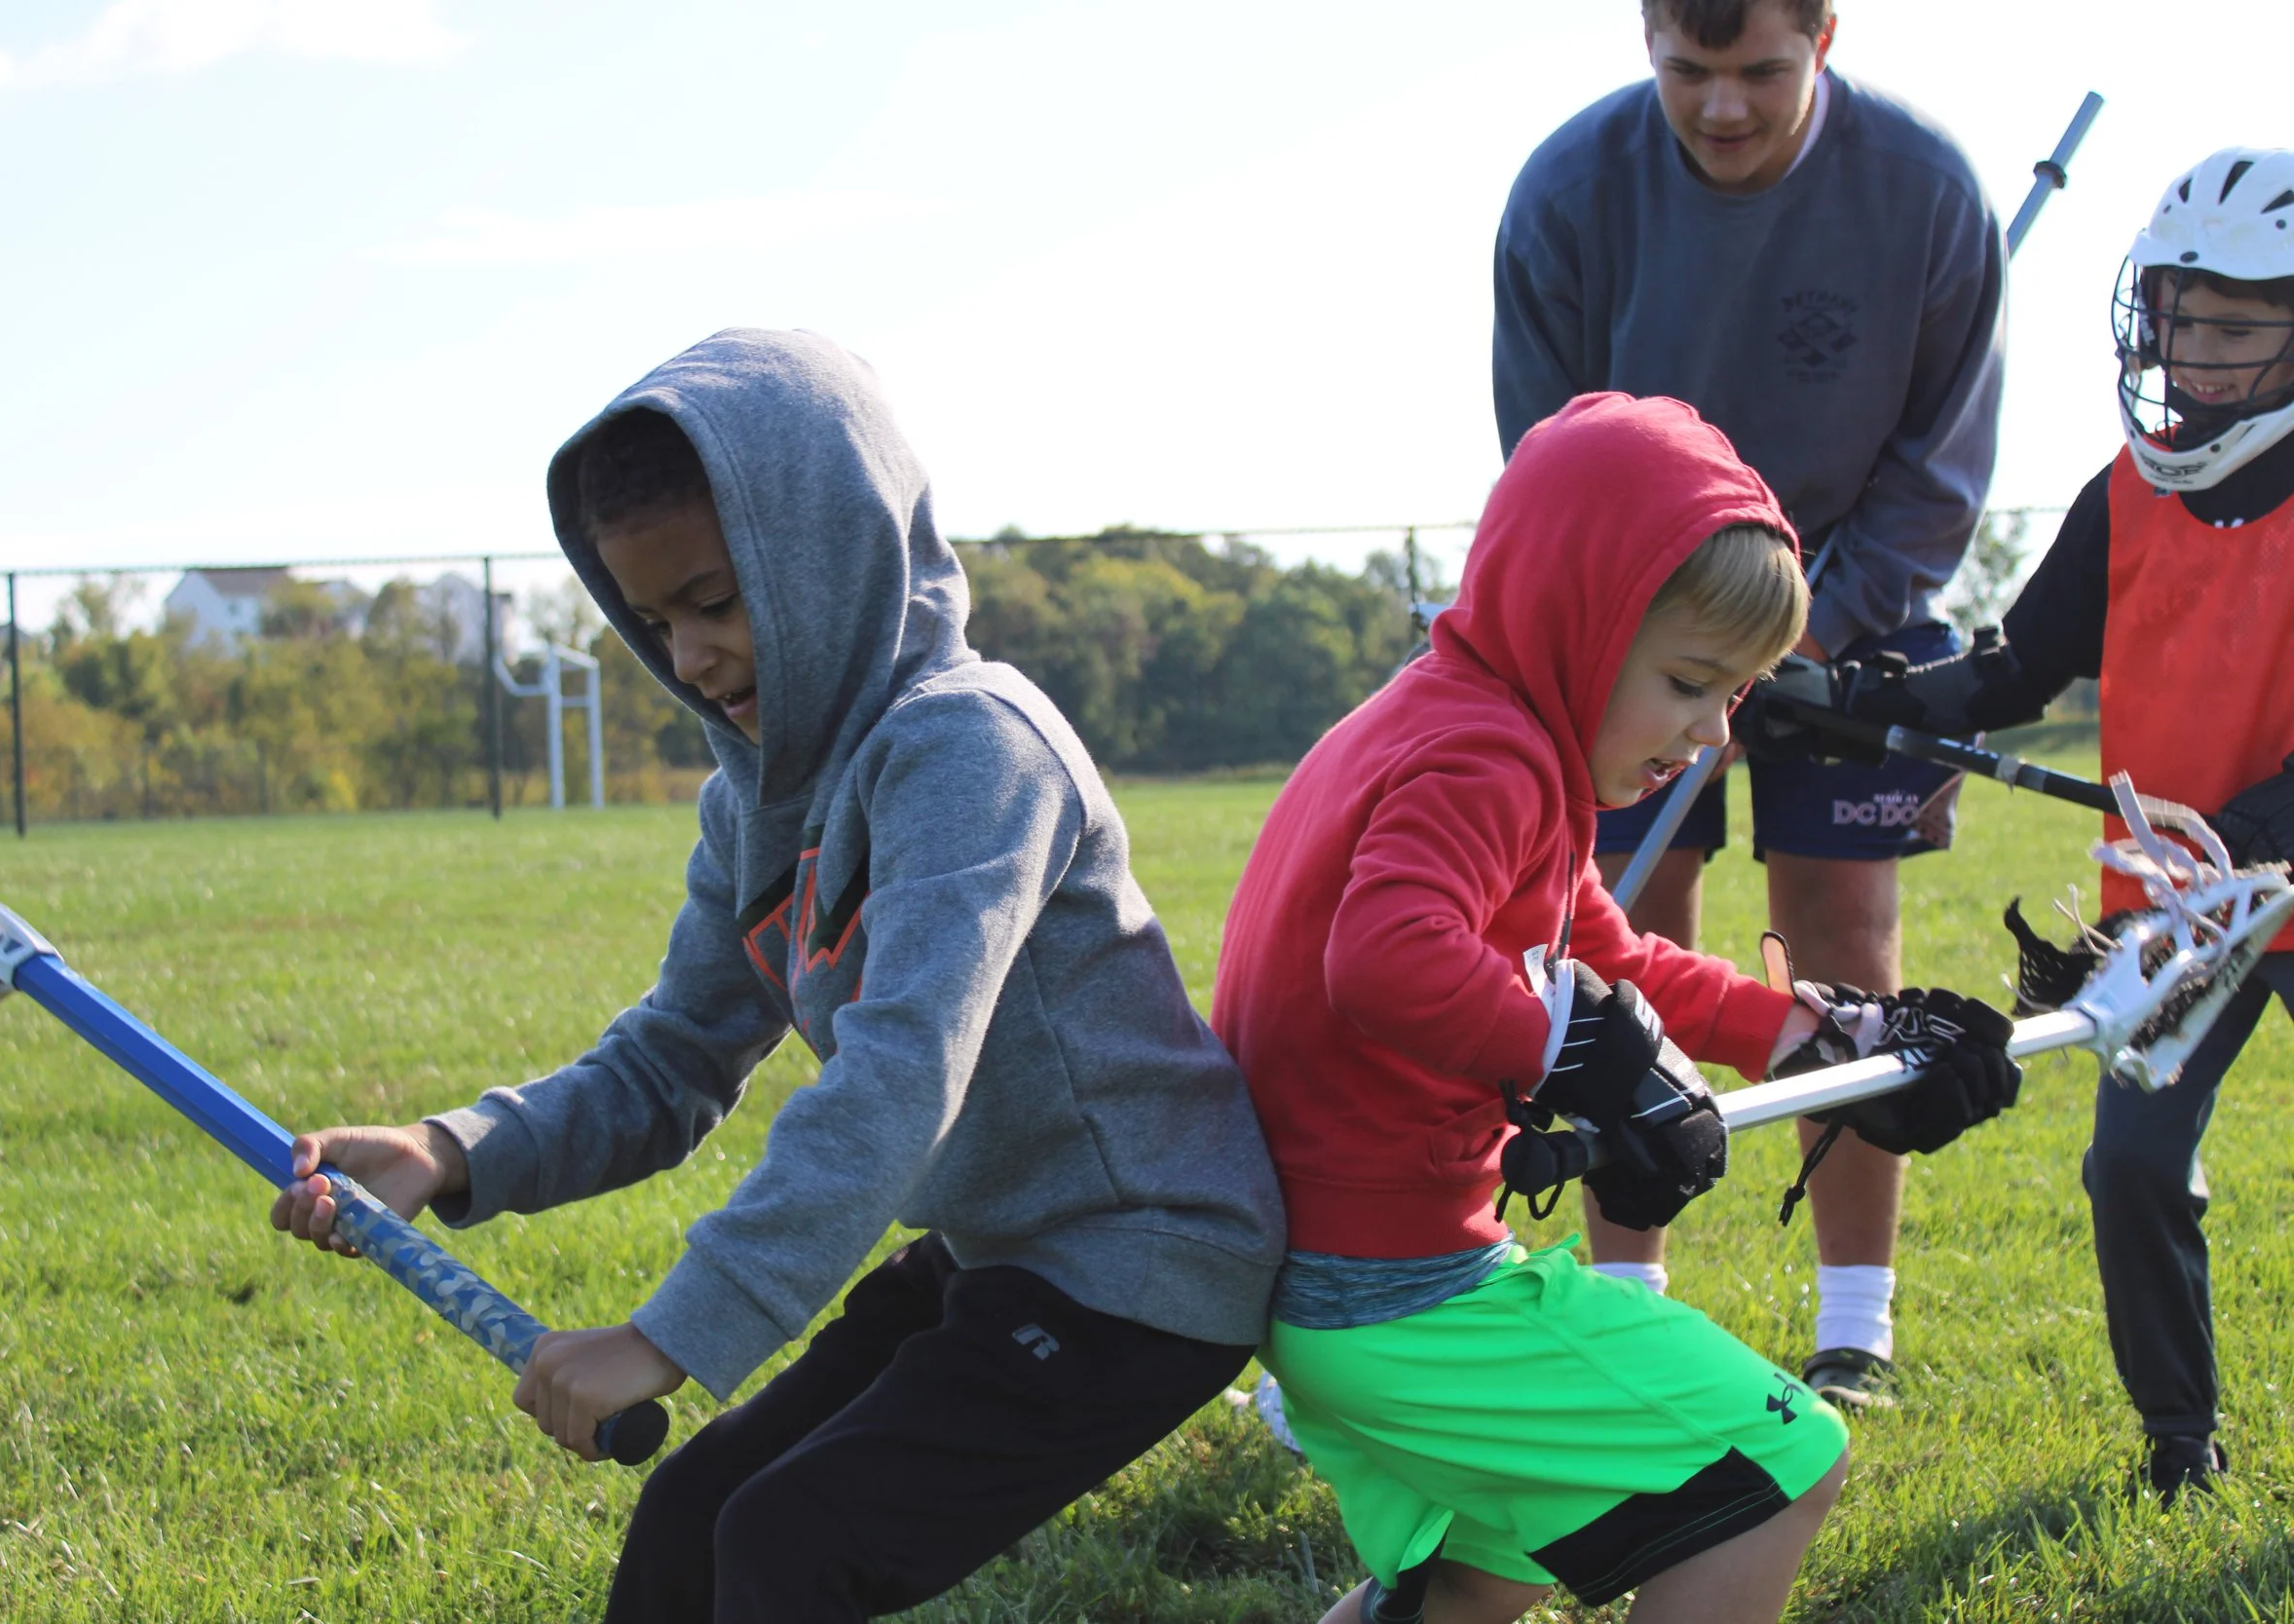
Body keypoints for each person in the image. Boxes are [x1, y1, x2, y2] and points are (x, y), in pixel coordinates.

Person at [267, 327, 1288, 1621]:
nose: (686, 658)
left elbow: (898, 1077)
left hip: (1144, 1265)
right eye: (653, 620)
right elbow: (671, 1058)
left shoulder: (977, 748)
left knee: (795, 1542)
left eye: (714, 599)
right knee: (700, 1508)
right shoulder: (758, 800)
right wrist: (449, 1147)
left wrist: (668, 1333)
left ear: (833, 548)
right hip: (1003, 1253)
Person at [1214, 393, 2019, 1623]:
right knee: (1784, 1463)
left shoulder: (1479, 726)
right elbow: (1383, 953)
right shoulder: (1482, 756)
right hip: (1390, 1292)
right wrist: (1571, 1045)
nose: (1710, 734)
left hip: (1334, 1281)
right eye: (1690, 681)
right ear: (1573, 619)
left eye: (1738, 694)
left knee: (1482, 1575)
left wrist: (1810, 1031)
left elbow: (1608, 951)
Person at [1489, 0, 2008, 1407]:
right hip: (1634, 622)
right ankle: (1627, 1301)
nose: (1724, 109)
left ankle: (1857, 1323)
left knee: (1840, 934)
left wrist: (1808, 631)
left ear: (1825, 38)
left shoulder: (1930, 192)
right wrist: (1692, 643)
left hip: (1855, 623)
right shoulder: (1567, 193)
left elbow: (1942, 464)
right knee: (1622, 939)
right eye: (1689, 73)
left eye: (1761, 72)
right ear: (1648, 37)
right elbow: (1553, 457)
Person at [1821, 147, 2294, 1501]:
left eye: (2241, 324)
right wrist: (1858, 699)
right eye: (2184, 318)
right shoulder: (2129, 492)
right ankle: (2178, 1441)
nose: (2200, 356)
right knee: (2132, 1163)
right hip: (2178, 909)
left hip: (2266, 873)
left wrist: (2248, 831)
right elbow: (2019, 662)